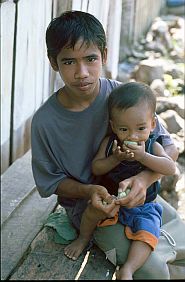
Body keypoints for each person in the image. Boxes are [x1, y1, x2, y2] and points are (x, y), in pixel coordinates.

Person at [31, 10, 182, 280]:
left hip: (138, 196)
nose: (82, 73)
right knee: (154, 271)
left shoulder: (122, 95)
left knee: (180, 243)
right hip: (93, 209)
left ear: (103, 54)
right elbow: (51, 182)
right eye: (69, 62)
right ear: (53, 63)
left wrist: (144, 179)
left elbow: (168, 147)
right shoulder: (46, 121)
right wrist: (89, 191)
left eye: (90, 59)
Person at [90, 82, 176, 279]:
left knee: (147, 234)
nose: (133, 136)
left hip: (145, 206)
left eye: (140, 128)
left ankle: (128, 269)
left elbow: (170, 167)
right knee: (91, 215)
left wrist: (143, 157)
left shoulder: (152, 144)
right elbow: (96, 167)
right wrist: (115, 158)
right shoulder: (111, 143)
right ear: (113, 126)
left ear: (153, 124)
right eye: (124, 129)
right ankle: (83, 239)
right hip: (113, 201)